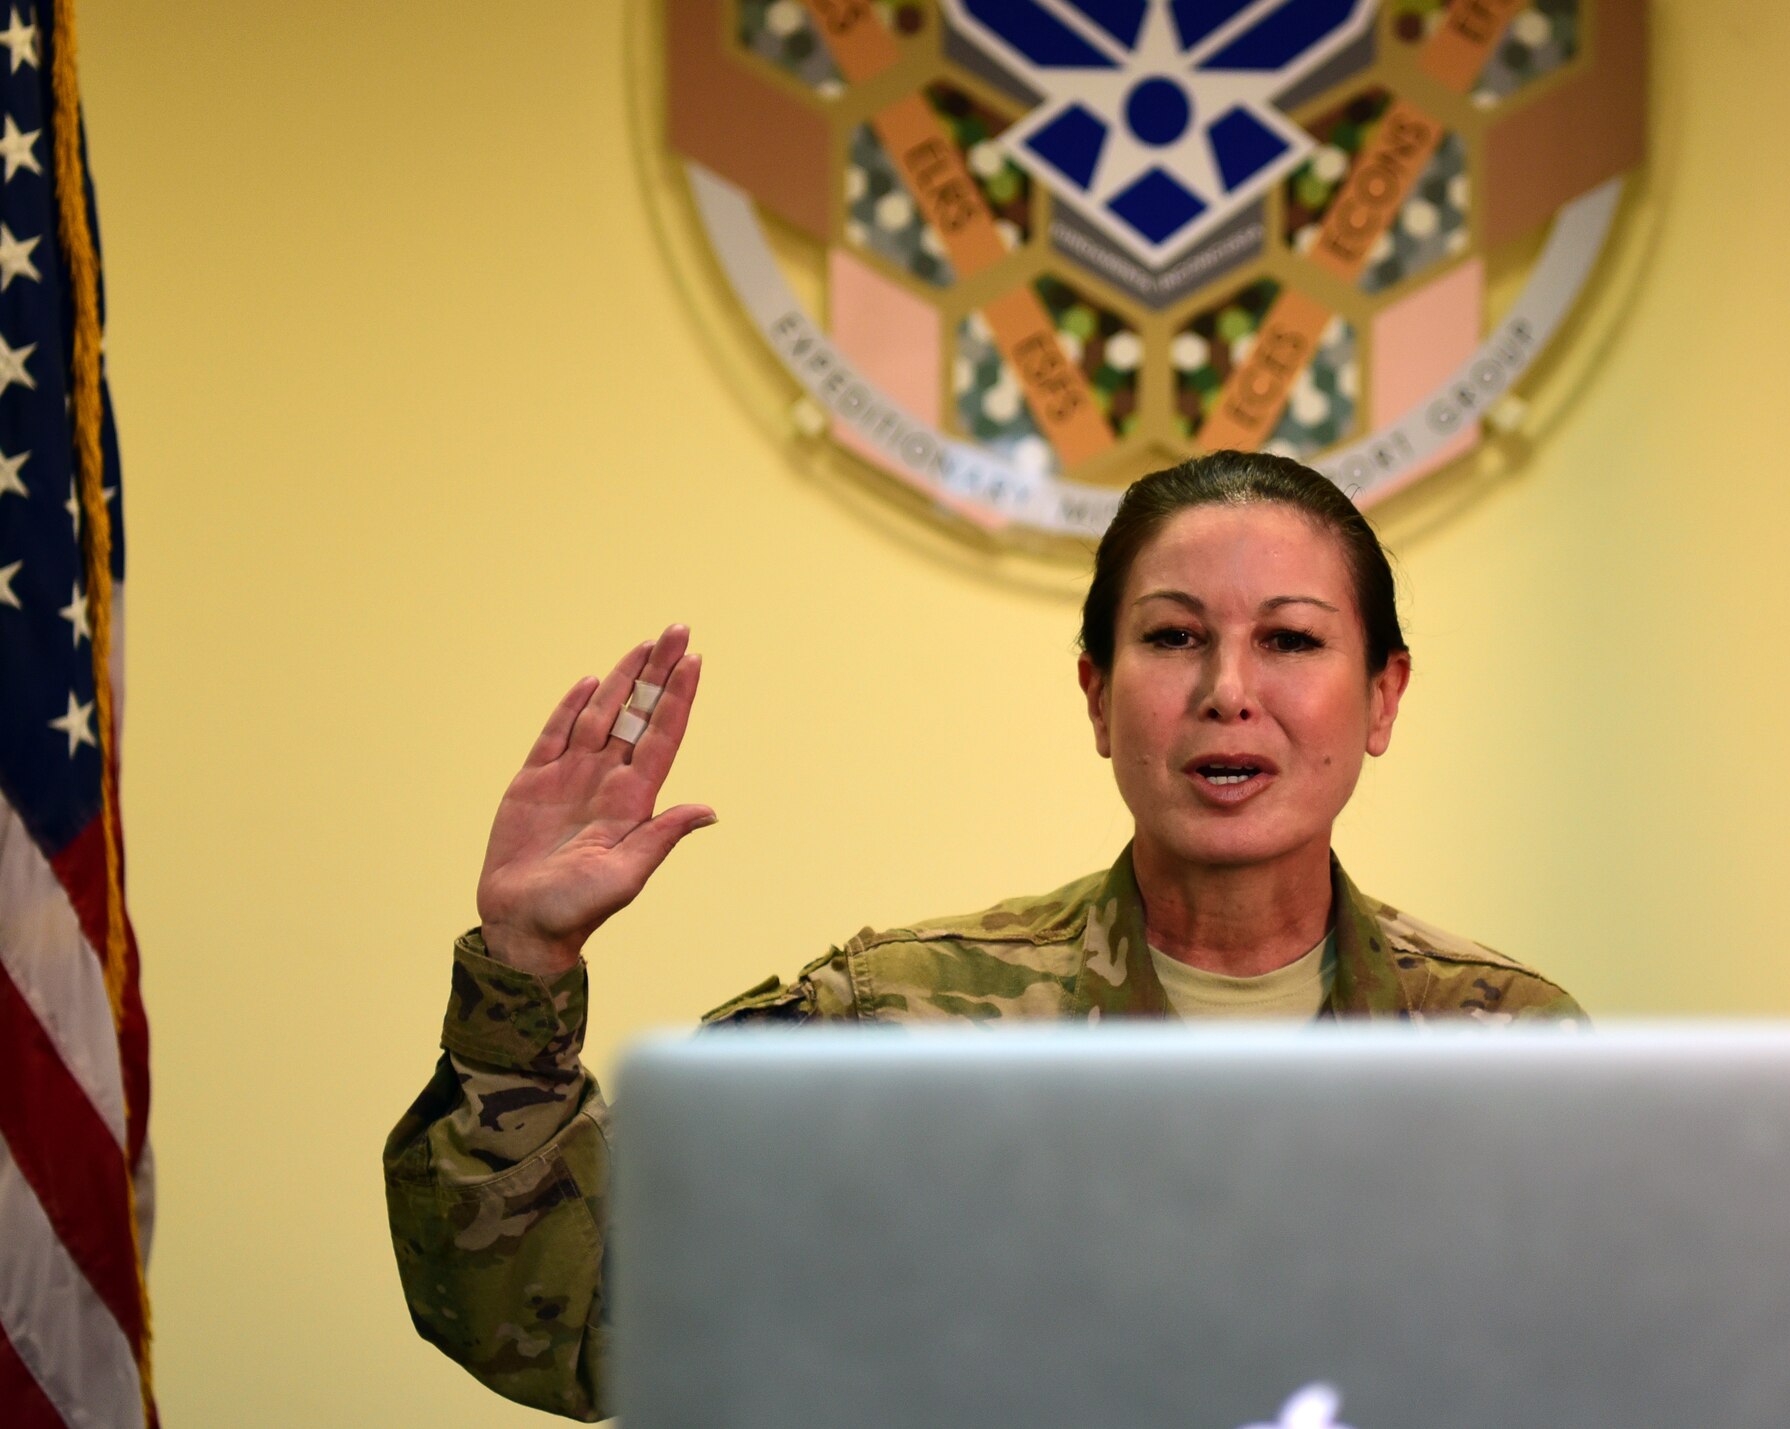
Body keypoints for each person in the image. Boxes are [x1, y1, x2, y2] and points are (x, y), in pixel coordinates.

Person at [383, 451, 1582, 1420]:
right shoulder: (898, 1022)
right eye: (1170, 637)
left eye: (1289, 639)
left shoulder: (1507, 1047)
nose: (1226, 688)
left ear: (1381, 695)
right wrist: (525, 969)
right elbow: (572, 1323)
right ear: (1095, 694)